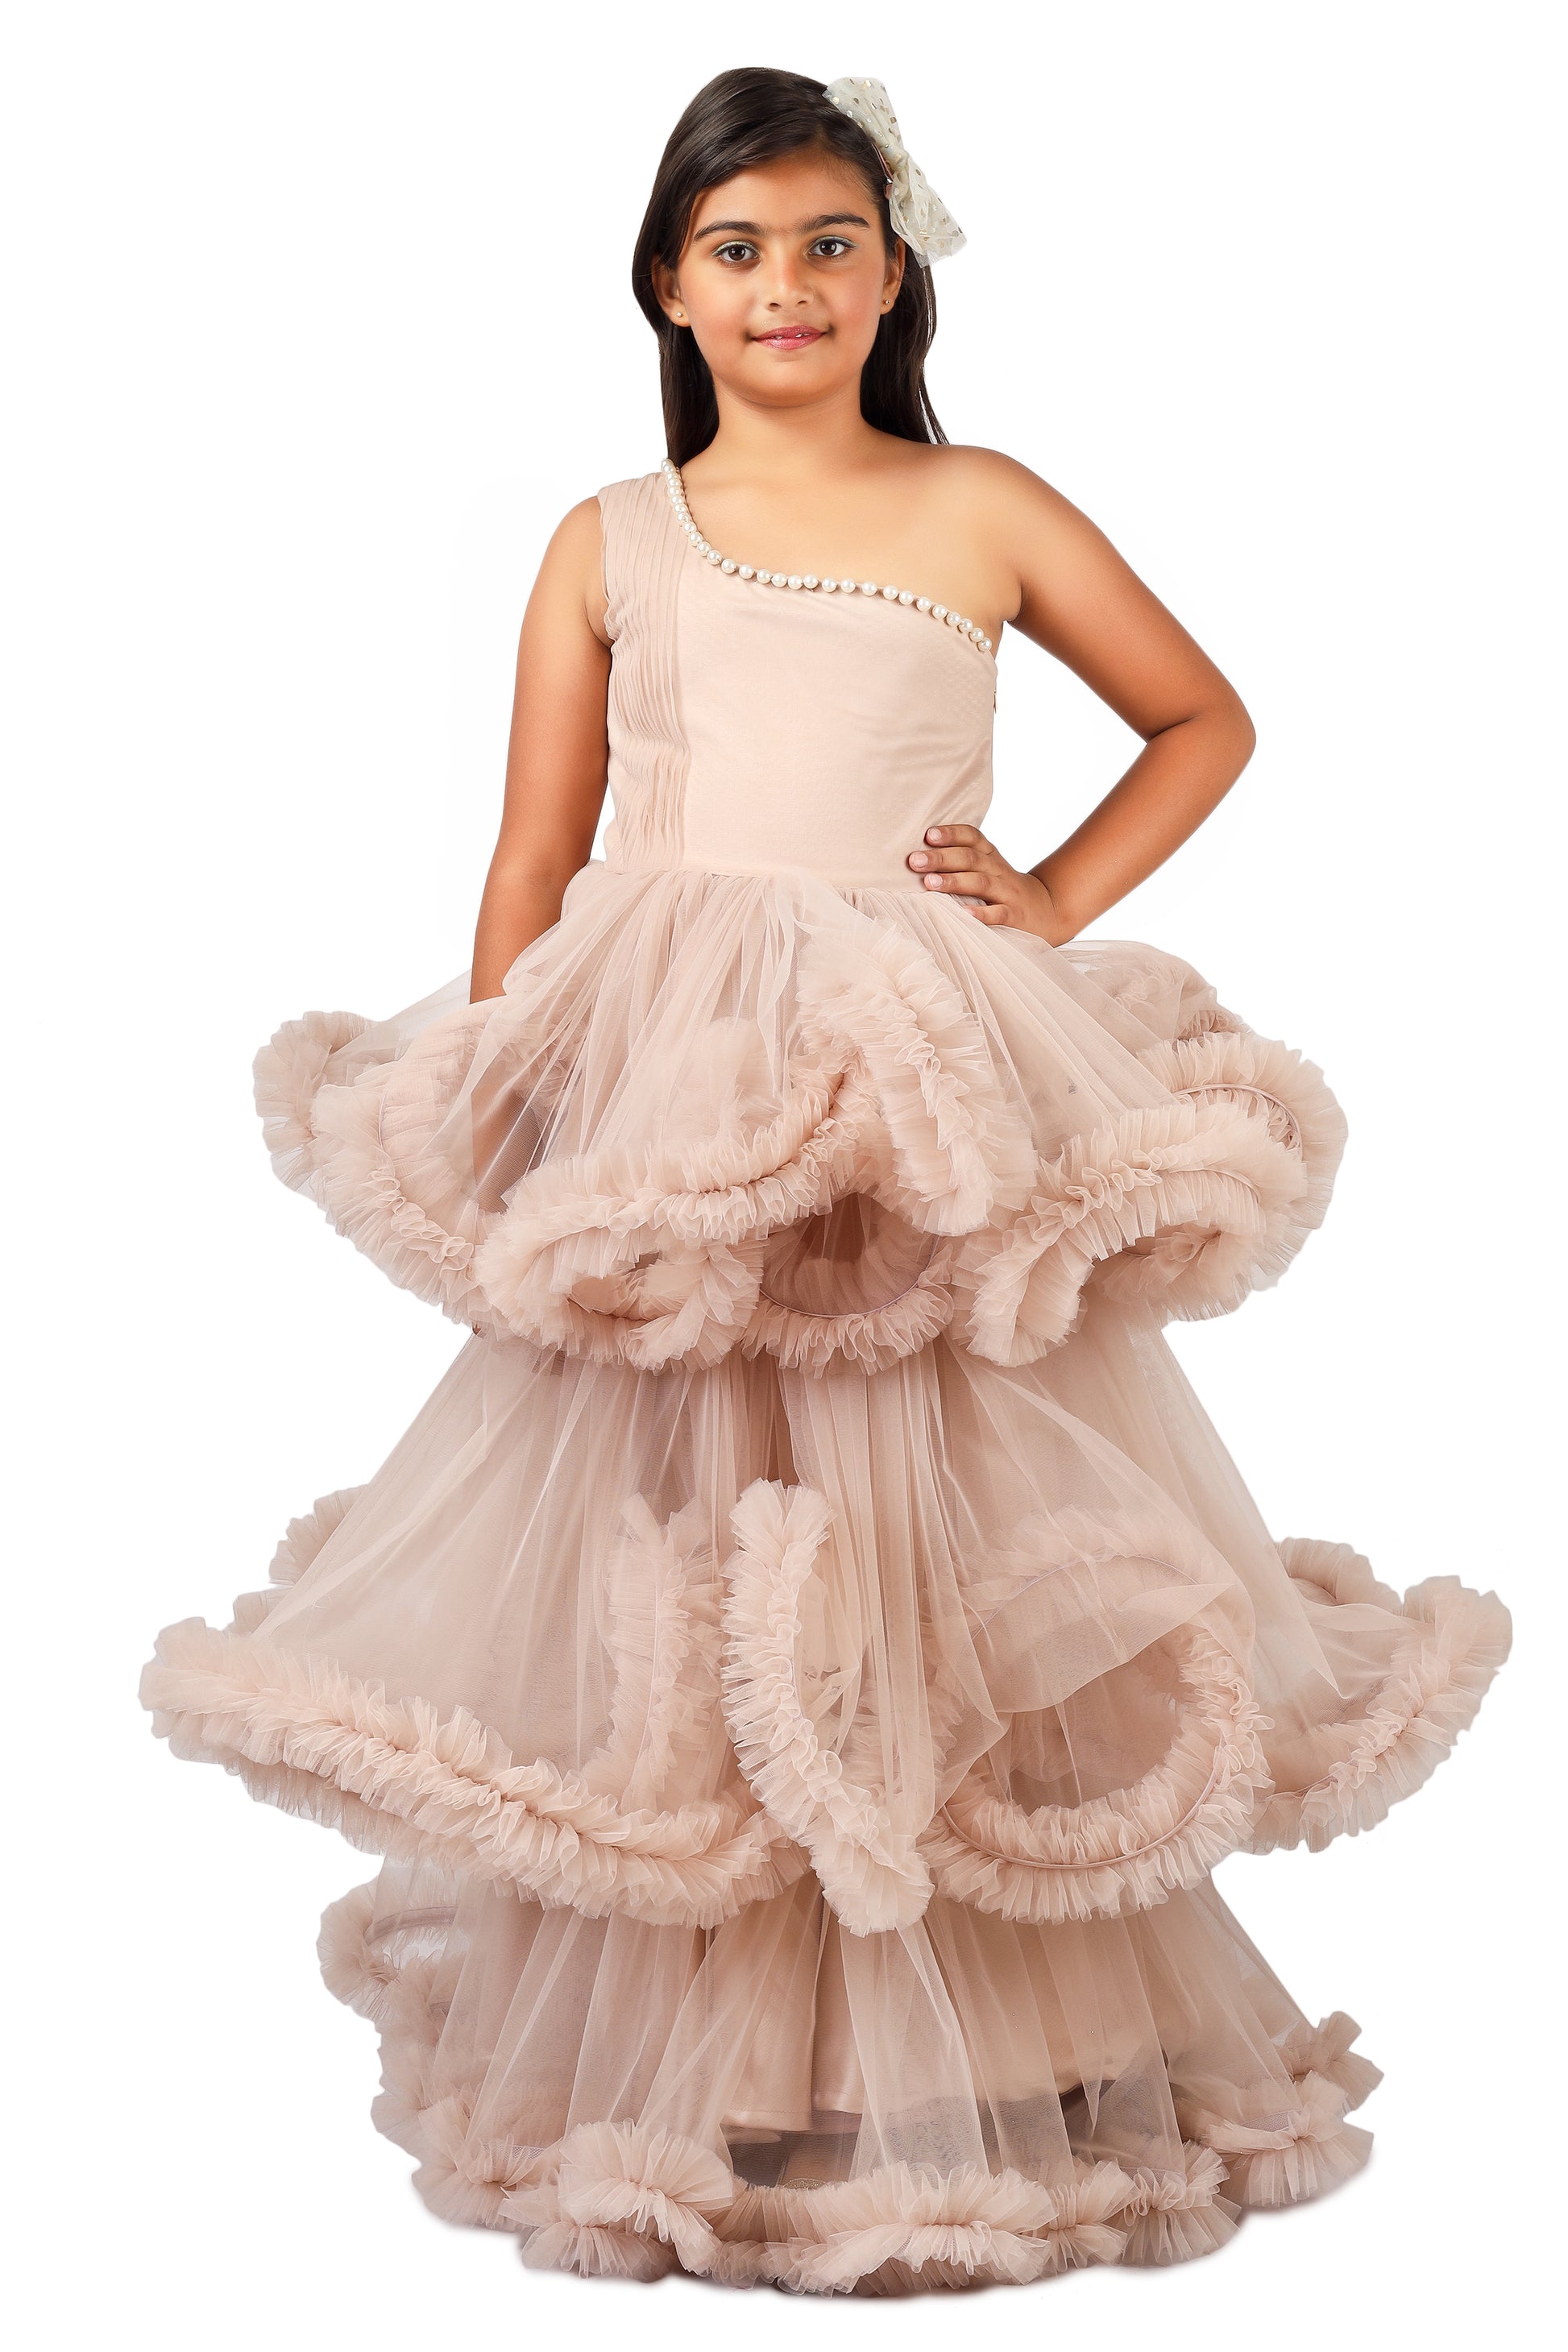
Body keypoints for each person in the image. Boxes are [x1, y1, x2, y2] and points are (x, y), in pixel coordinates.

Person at [142, 67, 1508, 2294]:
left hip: (919, 1070)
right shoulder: (612, 535)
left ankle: (984, 2049)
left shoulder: (980, 504)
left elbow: (1202, 719)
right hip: (674, 1075)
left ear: (892, 276)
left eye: (827, 242)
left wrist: (1047, 900)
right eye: (738, 248)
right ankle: (714, 2052)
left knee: (945, 1495)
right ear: (669, 287)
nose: (785, 283)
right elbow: (536, 846)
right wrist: (506, 1091)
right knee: (681, 1524)